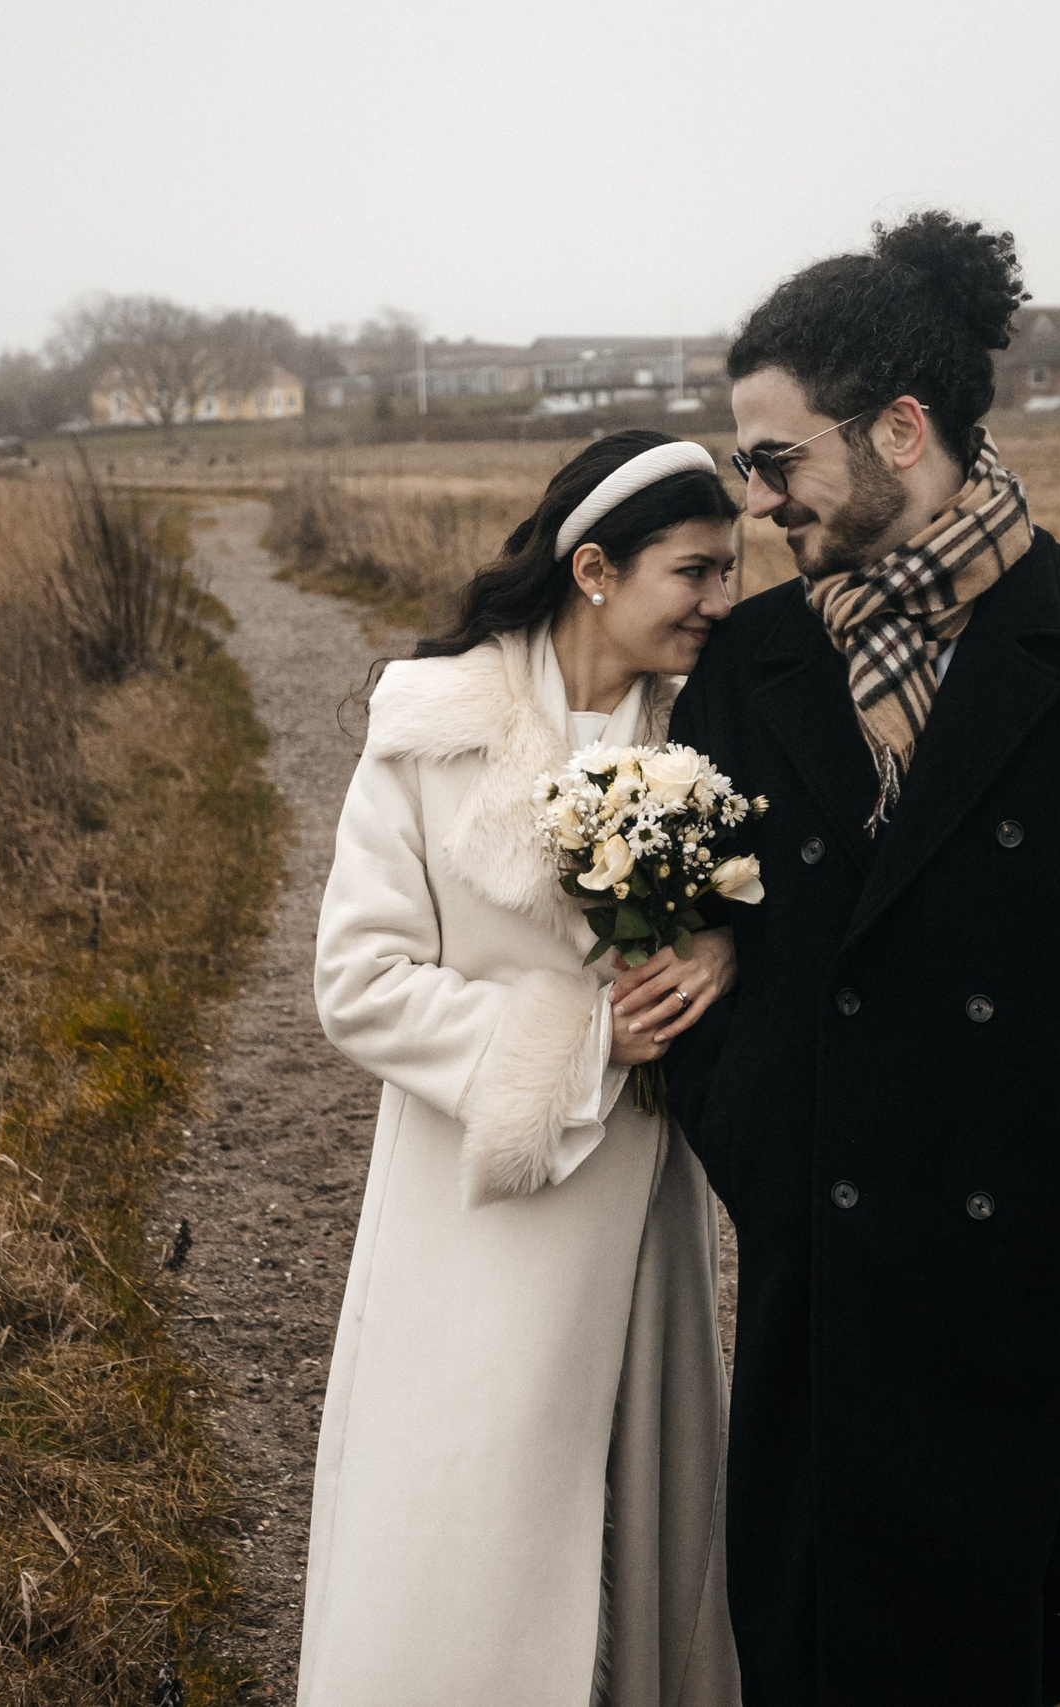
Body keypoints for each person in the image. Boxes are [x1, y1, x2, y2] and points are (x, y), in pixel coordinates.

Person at [663, 213, 1060, 1705]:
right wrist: (754, 1118)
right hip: (824, 1233)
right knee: (804, 1634)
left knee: (993, 1638)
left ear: (902, 429)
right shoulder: (757, 664)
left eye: (776, 459)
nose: (755, 501)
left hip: (1024, 1237)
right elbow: (686, 904)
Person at [303, 430, 747, 1706]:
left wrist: (722, 946)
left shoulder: (712, 735)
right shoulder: (430, 732)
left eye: (732, 571)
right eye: (697, 571)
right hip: (477, 1216)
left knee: (638, 1519)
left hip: (643, 1205)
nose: (722, 601)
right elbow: (358, 982)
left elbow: (777, 913)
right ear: (595, 568)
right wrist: (579, 1040)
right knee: (467, 1526)